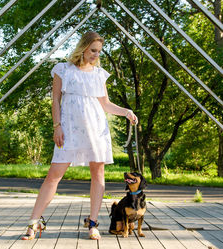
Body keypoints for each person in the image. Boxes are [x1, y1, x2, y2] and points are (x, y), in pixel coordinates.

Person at [21, 31, 138, 240]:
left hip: (96, 128)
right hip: (69, 129)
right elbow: (55, 100)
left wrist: (126, 112)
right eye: (93, 50)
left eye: (99, 51)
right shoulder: (63, 70)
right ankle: (33, 222)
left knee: (98, 174)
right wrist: (57, 126)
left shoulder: (99, 74)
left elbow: (105, 104)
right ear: (82, 48)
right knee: (53, 175)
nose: (96, 55)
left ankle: (93, 224)